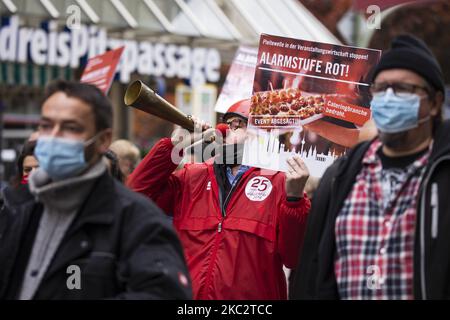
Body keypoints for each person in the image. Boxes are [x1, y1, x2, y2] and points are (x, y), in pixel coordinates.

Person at [0, 80, 192, 300]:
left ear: (103, 140)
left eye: (71, 128)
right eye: (46, 125)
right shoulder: (16, 208)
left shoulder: (138, 220)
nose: (54, 136)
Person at [291, 34, 449, 300]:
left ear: (434, 103)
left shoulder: (442, 176)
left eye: (402, 89)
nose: (388, 97)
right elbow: (311, 271)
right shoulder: (340, 177)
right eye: (381, 88)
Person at [128, 99, 311, 300]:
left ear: (260, 135)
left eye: (239, 125)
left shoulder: (280, 183)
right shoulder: (191, 177)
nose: (225, 130)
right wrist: (173, 147)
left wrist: (294, 199)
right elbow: (135, 194)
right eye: (227, 123)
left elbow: (293, 258)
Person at [1, 140, 38, 213]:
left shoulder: (54, 197)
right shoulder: (7, 196)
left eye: (37, 169)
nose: (33, 174)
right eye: (28, 169)